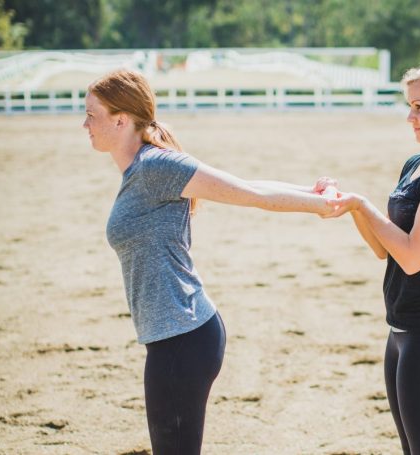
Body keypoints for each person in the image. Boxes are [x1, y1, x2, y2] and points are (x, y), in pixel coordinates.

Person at [83, 69, 334, 455]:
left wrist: (320, 203)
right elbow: (246, 185)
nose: (85, 123)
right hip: (171, 337)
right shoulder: (139, 171)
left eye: (91, 114)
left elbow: (249, 192)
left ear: (120, 119)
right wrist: (309, 191)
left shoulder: (157, 167)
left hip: (183, 340)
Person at [316, 59, 420, 454]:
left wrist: (364, 203)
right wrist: (354, 208)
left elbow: (413, 257)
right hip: (403, 332)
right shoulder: (416, 165)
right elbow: (385, 248)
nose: (410, 116)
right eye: (409, 105)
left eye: (419, 106)